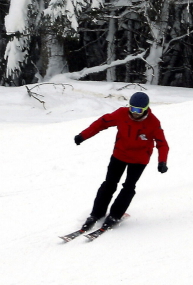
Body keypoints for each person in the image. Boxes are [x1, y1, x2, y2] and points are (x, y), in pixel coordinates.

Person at [72, 91, 169, 232]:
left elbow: (162, 144)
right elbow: (102, 123)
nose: (134, 113)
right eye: (132, 108)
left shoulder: (153, 123)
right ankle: (96, 213)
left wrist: (162, 162)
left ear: (146, 109)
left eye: (138, 110)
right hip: (119, 155)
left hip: (139, 160)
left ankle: (115, 215)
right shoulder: (122, 114)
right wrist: (83, 136)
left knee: (128, 187)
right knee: (109, 184)